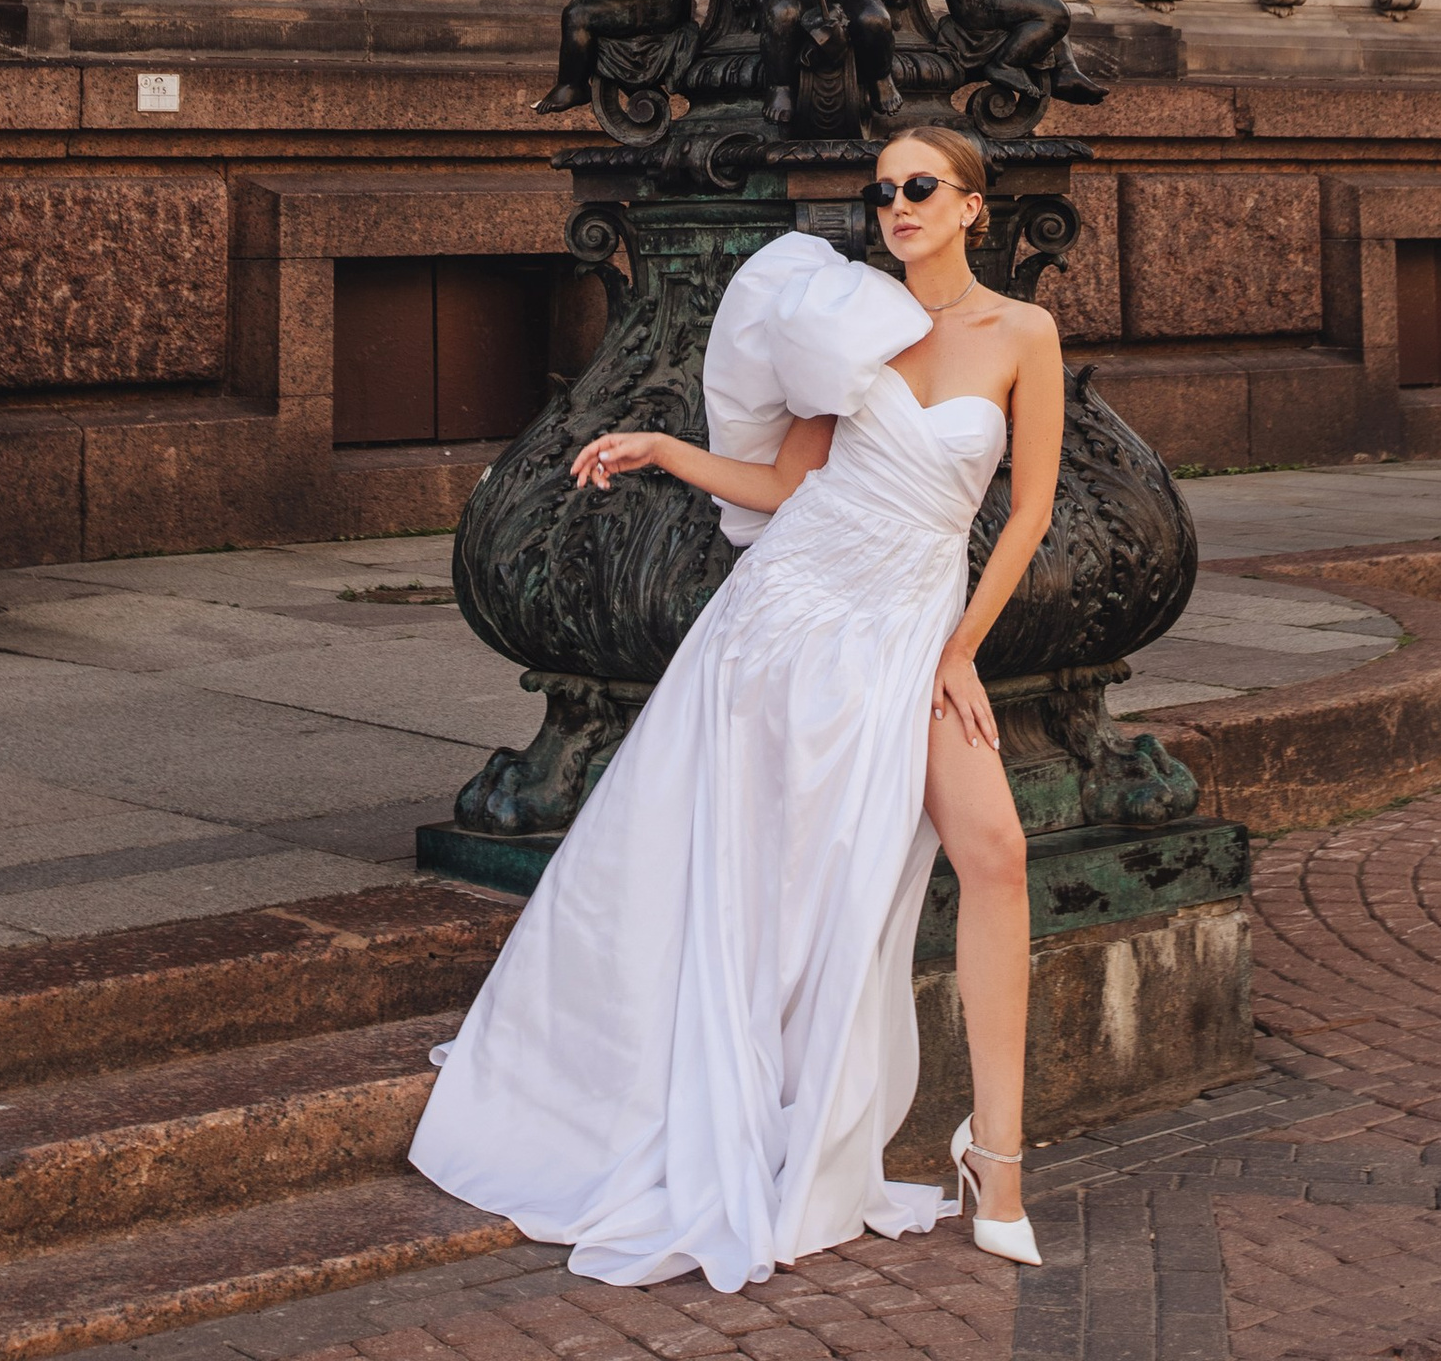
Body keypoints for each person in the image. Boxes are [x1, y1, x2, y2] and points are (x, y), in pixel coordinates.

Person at [408, 123, 1066, 1289]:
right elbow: (783, 485)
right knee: (766, 876)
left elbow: (1022, 517)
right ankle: (702, 1091)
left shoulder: (1022, 334)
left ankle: (997, 1156)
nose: (896, 205)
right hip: (786, 620)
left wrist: (959, 650)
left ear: (973, 206)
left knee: (998, 851)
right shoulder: (851, 323)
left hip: (911, 628)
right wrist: (663, 446)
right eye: (882, 192)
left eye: (921, 188)